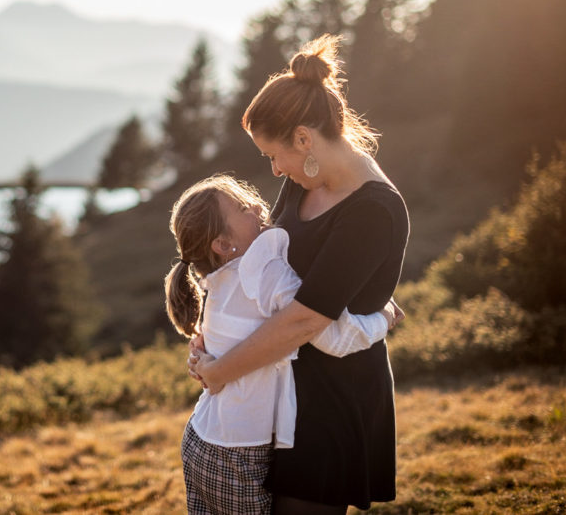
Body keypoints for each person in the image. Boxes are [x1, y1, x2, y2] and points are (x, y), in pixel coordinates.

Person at [189, 34, 410, 514]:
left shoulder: (373, 210)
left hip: (330, 406)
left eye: (274, 155)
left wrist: (219, 373)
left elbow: (304, 320)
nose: (274, 169)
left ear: (304, 139)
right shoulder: (302, 181)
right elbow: (263, 266)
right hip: (278, 397)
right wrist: (212, 340)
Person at [166, 174, 399, 515]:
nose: (260, 206)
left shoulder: (214, 280)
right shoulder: (267, 272)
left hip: (200, 439)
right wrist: (384, 318)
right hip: (238, 456)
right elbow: (333, 336)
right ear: (222, 244)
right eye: (245, 208)